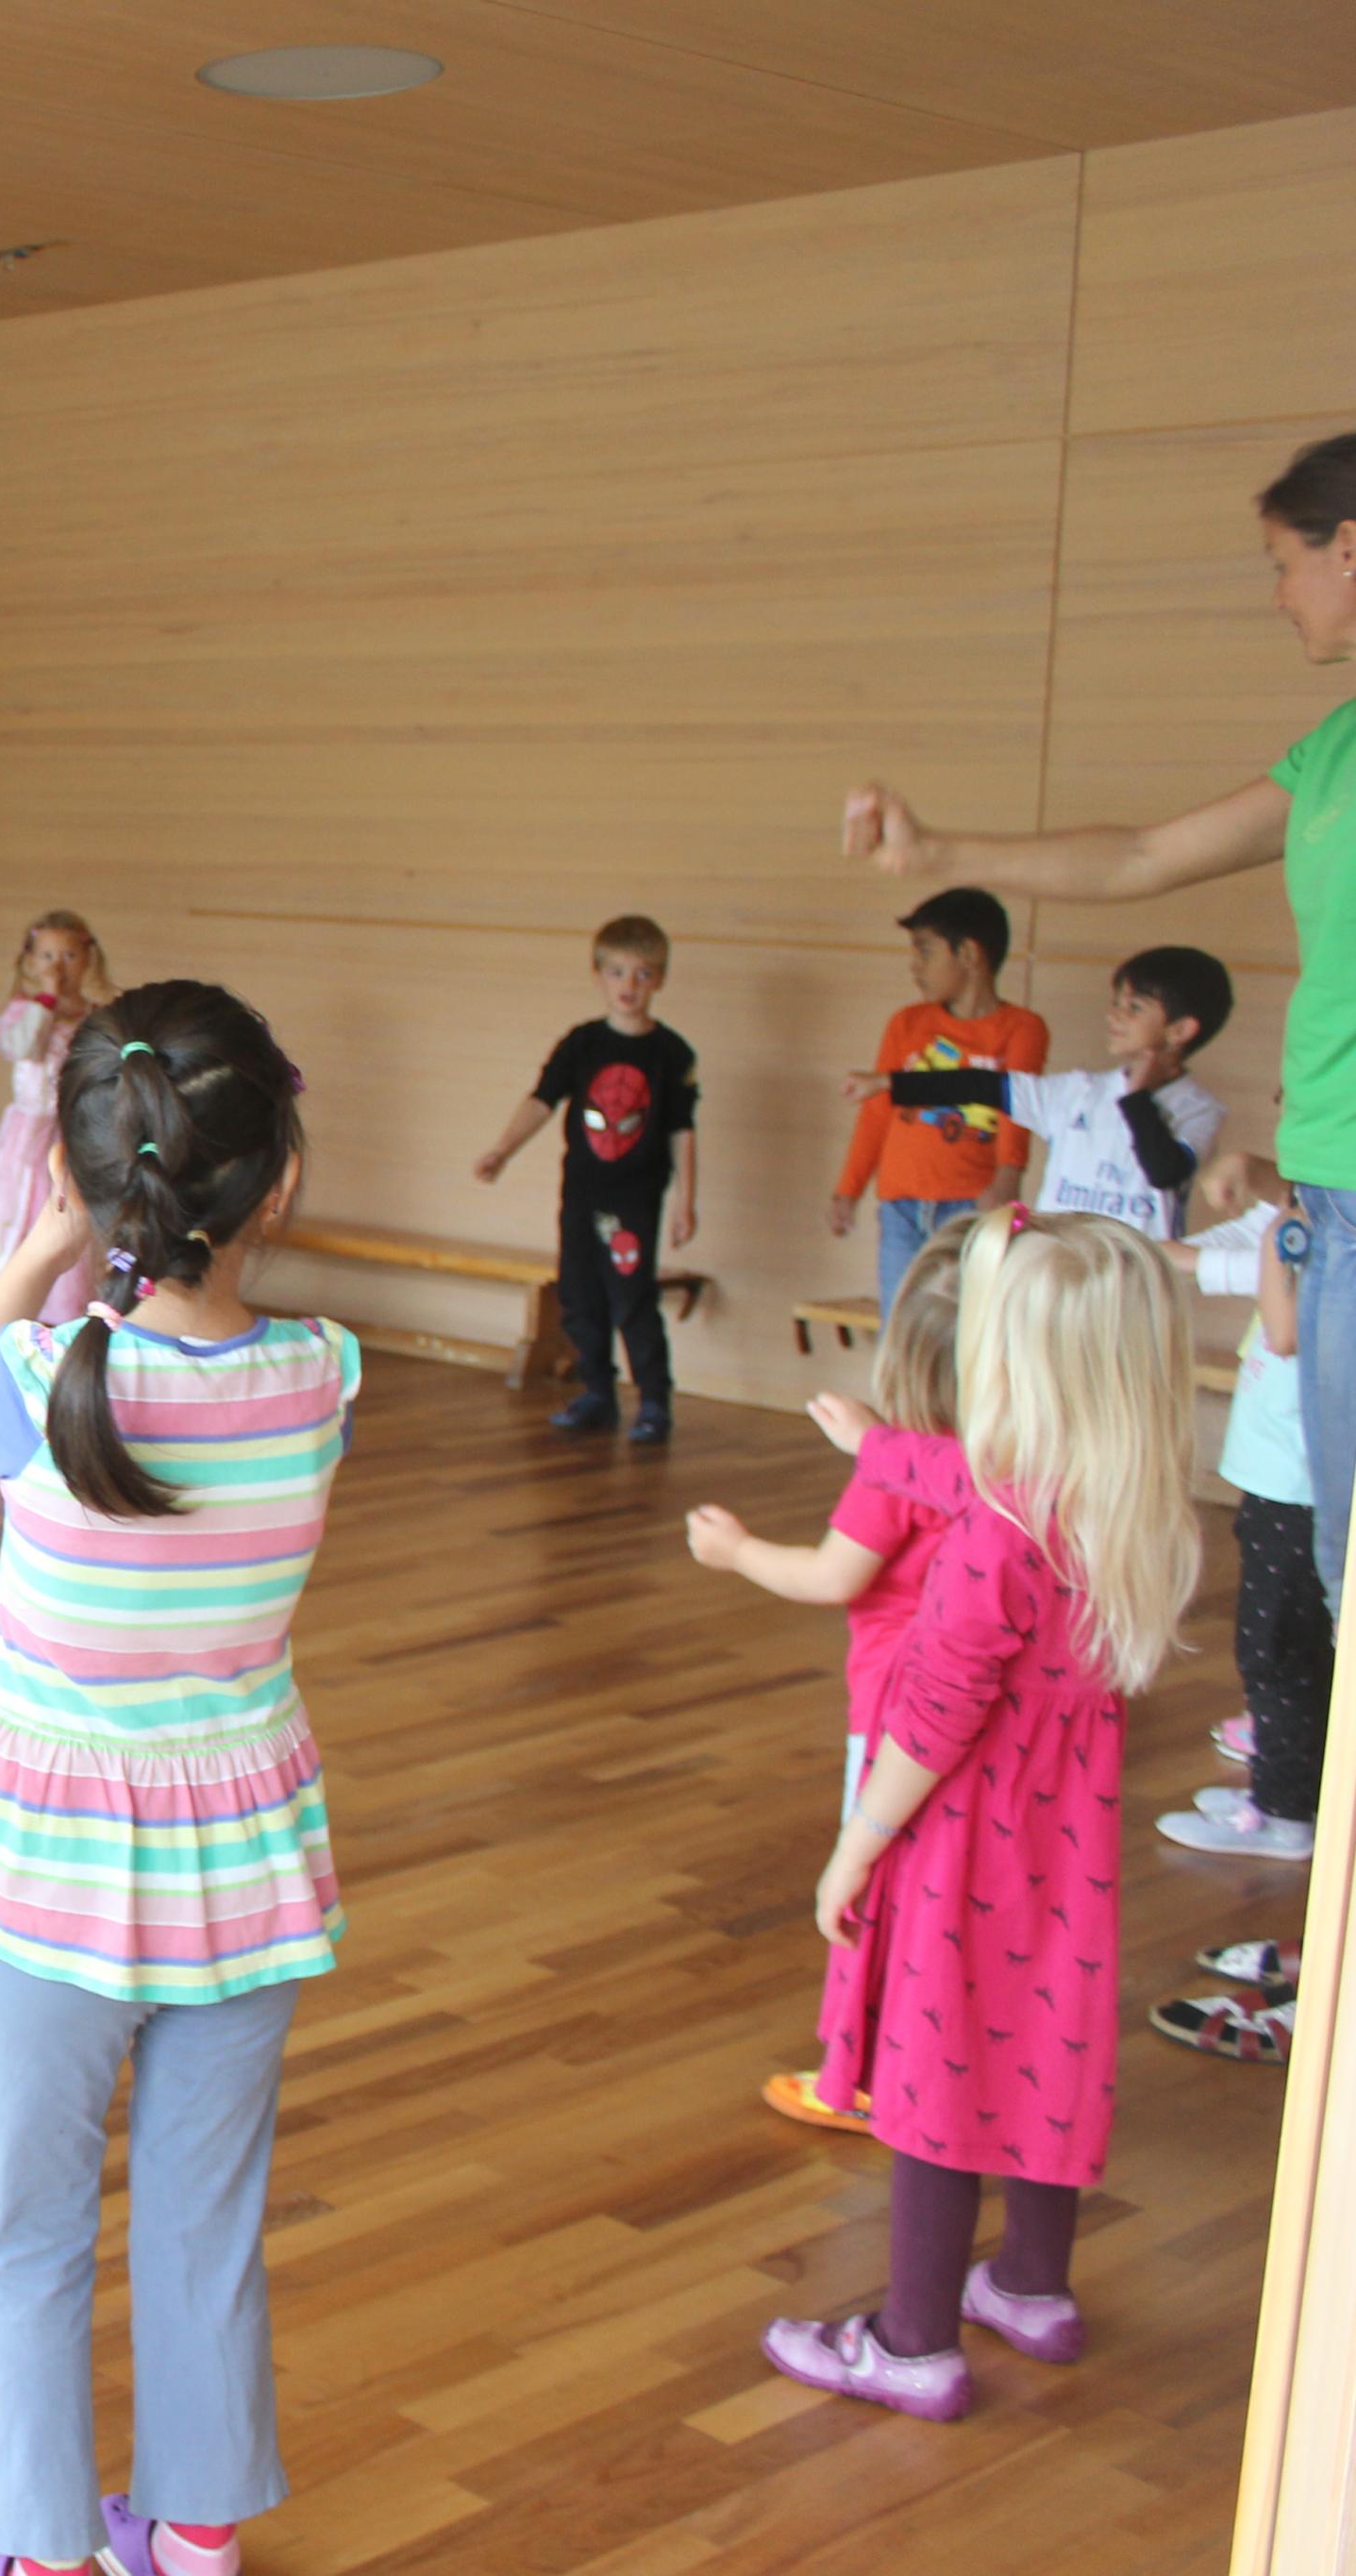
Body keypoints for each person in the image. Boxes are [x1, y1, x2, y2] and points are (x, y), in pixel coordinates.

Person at [0, 984, 352, 2576]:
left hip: (50, 1869)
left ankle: (36, 2551)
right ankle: (194, 2534)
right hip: (245, 1864)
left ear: (83, 1180)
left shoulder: (32, 1378)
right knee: (205, 2216)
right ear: (278, 1182)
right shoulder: (327, 1373)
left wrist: (38, 1251)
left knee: (26, 2230)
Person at [847, 429, 1356, 1602]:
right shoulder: (1330, 750)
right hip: (1329, 1190)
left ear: (1349, 549)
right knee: (1343, 1558)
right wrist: (940, 851)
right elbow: (1139, 855)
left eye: (1281, 565)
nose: (1276, 596)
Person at [762, 1210, 1197, 2422]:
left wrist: (854, 1848)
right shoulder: (1121, 1504)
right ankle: (1031, 2288)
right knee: (1046, 2040)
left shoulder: (996, 1542)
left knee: (935, 2074)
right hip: (1068, 1843)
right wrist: (876, 1444)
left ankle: (910, 2344)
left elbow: (931, 1720)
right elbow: (961, 1476)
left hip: (962, 1837)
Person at [685, 1217, 973, 2135]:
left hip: (895, 1713)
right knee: (944, 1894)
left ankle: (856, 2074)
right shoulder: (1015, 1465)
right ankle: (950, 2063)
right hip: (978, 1719)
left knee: (862, 1890)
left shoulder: (897, 1472)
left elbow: (829, 1576)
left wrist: (735, 1551)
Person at [473, 914, 699, 1441]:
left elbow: (682, 1132)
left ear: (660, 979)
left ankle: (654, 1401)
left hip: (635, 1200)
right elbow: (541, 1101)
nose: (629, 985)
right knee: (578, 1296)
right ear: (598, 976)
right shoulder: (581, 1044)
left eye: (643, 973)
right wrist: (503, 1150)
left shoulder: (672, 1054)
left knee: (631, 1298)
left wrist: (687, 1202)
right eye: (617, 972)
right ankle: (597, 1391)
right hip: (581, 1193)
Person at [849, 945, 1229, 1241]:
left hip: (1134, 1284)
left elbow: (1164, 1172)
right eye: (1115, 1003)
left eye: (1134, 1007)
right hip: (1056, 1268)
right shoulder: (1078, 1091)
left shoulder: (1199, 1109)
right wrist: (891, 1083)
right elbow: (981, 1085)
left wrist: (1138, 1098)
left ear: (1180, 1031)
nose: (1114, 1015)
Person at [1154, 1202, 1322, 1865]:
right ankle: (1287, 1789)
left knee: (1277, 1649)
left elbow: (1284, 1333)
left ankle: (1282, 1814)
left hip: (1296, 1490)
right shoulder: (1315, 1228)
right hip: (1275, 1484)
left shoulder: (1319, 1240)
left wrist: (1280, 1238)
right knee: (1282, 1648)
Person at [828, 889, 1046, 1319]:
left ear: (969, 954)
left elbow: (1016, 1108)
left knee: (965, 1326)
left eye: (925, 952)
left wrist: (1008, 1176)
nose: (915, 966)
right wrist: (848, 1188)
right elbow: (876, 1112)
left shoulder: (1022, 1028)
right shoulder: (907, 1023)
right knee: (900, 1324)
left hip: (970, 1204)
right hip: (902, 1205)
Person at [0, 909, 115, 1312]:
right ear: (30, 960)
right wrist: (45, 1002)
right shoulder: (24, 1012)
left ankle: (63, 1308)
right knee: (17, 1209)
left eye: (69, 955)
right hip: (27, 1134)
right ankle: (7, 1302)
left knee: (68, 1208)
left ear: (88, 958)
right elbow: (23, 1048)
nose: (57, 967)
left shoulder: (98, 1017)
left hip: (77, 1134)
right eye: (47, 956)